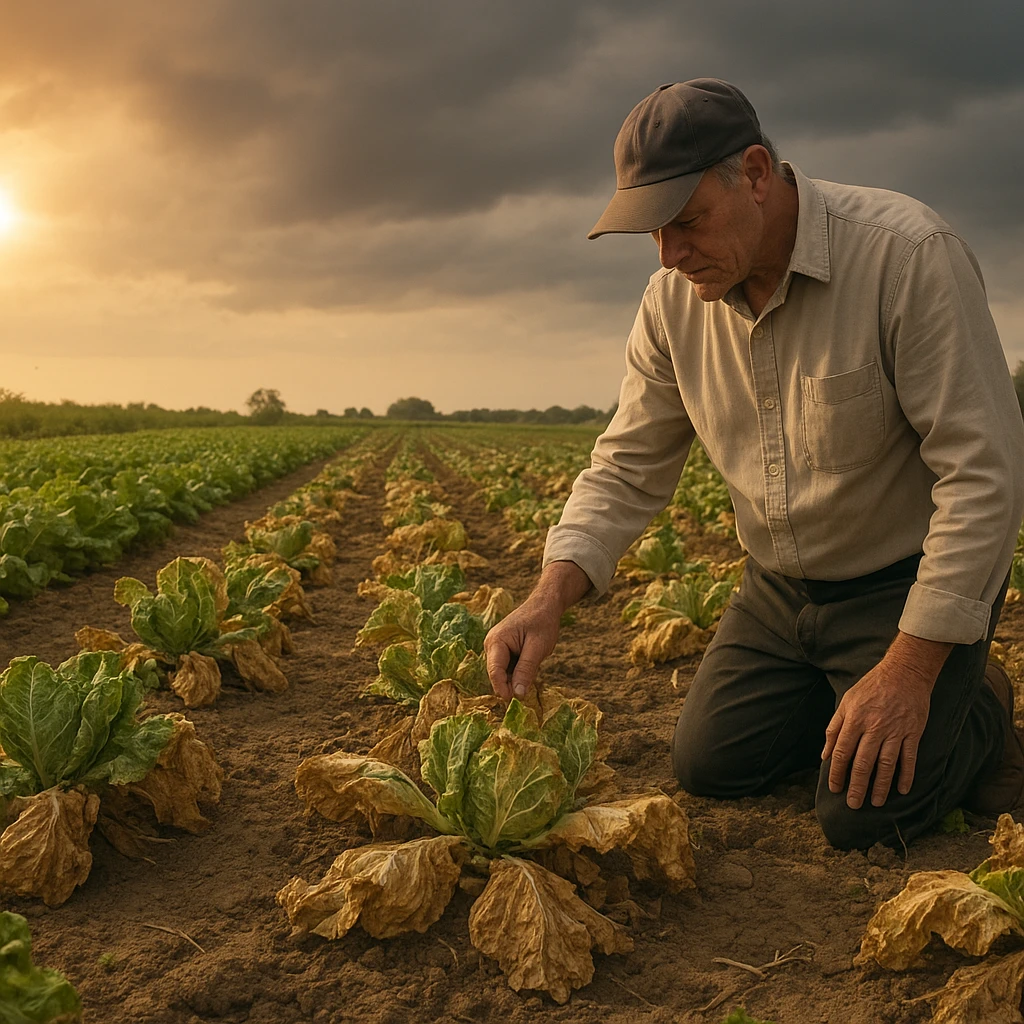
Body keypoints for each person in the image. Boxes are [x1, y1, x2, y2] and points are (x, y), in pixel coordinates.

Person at [483, 77, 1024, 850]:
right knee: (711, 765)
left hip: (901, 585)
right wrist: (547, 598)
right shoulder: (671, 303)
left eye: (687, 221)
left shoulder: (906, 257)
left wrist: (910, 671)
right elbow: (626, 465)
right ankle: (846, 696)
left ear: (758, 175)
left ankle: (979, 705)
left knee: (864, 818)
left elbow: (984, 475)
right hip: (778, 593)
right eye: (654, 232)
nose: (670, 255)